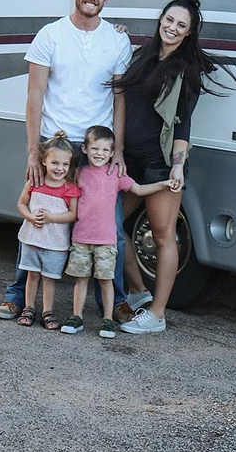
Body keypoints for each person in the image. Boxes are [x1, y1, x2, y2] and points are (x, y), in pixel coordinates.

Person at [0, 0, 135, 322]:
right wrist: (32, 149)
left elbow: (120, 99)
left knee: (109, 229)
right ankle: (17, 298)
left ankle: (113, 303)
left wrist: (117, 150)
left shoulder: (117, 41)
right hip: (54, 144)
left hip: (97, 149)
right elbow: (35, 95)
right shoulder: (50, 35)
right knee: (39, 221)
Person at [116, 0, 236, 335]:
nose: (172, 28)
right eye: (169, 20)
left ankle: (157, 314)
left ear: (188, 34)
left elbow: (183, 124)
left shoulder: (187, 70)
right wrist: (115, 35)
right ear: (161, 20)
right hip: (130, 160)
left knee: (162, 235)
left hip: (160, 163)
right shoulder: (142, 56)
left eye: (181, 25)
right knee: (110, 226)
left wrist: (176, 166)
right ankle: (140, 291)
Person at [60, 125, 175, 338]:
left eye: (105, 150)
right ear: (84, 149)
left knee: (106, 280)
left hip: (106, 241)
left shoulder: (115, 175)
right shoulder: (78, 174)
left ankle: (107, 319)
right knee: (81, 279)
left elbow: (139, 190)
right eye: (95, 149)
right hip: (81, 239)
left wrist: (163, 185)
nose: (99, 154)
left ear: (112, 153)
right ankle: (77, 317)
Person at [14, 131, 80, 330]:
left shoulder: (70, 188)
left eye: (65, 164)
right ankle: (29, 308)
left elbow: (73, 215)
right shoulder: (35, 183)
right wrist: (30, 216)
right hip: (32, 238)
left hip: (55, 242)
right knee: (32, 275)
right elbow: (21, 204)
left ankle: (48, 311)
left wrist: (52, 217)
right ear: (44, 161)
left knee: (49, 278)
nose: (60, 168)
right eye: (55, 163)